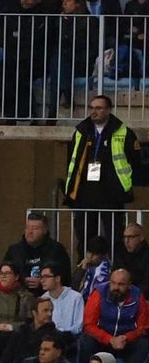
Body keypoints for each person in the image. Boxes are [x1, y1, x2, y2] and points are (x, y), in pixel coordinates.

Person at [63, 95, 142, 255]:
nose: (94, 112)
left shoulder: (123, 132)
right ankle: (85, 269)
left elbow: (135, 160)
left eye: (99, 108)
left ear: (108, 110)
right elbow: (72, 160)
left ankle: (115, 268)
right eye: (92, 108)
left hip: (112, 192)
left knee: (115, 236)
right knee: (85, 236)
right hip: (85, 192)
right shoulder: (81, 130)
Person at [81, 268, 149, 363]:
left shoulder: (137, 296)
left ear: (129, 285)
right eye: (113, 283)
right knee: (86, 339)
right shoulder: (99, 293)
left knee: (144, 343)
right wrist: (110, 339)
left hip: (126, 342)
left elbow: (143, 327)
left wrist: (127, 337)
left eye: (121, 284)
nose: (116, 287)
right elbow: (88, 325)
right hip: (103, 341)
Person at [3, 213, 69, 293]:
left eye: (35, 228)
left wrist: (43, 281)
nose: (30, 232)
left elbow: (65, 277)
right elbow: (3, 274)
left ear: (44, 230)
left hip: (49, 297)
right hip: (19, 296)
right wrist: (21, 281)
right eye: (27, 228)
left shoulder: (56, 250)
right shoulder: (14, 250)